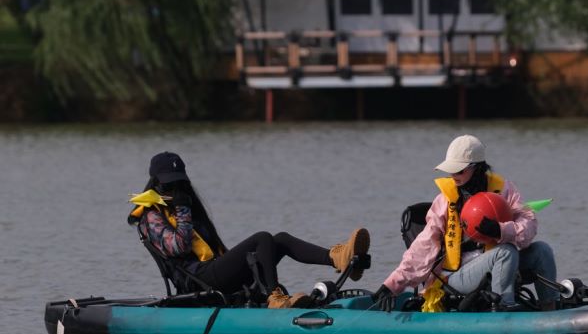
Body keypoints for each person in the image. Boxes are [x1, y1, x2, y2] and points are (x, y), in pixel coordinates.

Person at [128, 152, 370, 308]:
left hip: (214, 272)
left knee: (279, 240)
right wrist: (182, 210)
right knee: (262, 238)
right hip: (197, 281)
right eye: (170, 184)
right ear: (156, 184)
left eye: (180, 182)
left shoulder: (186, 206)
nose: (176, 188)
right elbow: (178, 246)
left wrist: (183, 207)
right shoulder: (151, 216)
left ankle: (338, 256)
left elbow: (216, 250)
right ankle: (274, 298)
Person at [372, 135, 558, 313]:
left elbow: (529, 224)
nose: (454, 175)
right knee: (505, 252)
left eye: (459, 170)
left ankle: (550, 309)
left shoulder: (504, 190)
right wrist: (392, 285)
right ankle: (504, 311)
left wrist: (501, 230)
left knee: (542, 250)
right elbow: (423, 246)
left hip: (499, 262)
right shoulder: (444, 201)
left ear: (477, 168)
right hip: (454, 278)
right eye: (451, 170)